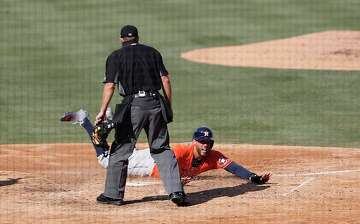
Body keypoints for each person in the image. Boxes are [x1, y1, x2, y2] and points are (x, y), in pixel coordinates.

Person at [94, 25, 185, 206]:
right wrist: (168, 105)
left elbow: (110, 85)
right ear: (137, 37)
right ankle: (176, 192)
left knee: (121, 149)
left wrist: (102, 111)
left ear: (121, 39)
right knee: (161, 148)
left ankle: (113, 195)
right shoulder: (153, 52)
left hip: (133, 106)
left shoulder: (115, 56)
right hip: (155, 103)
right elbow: (165, 79)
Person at [60, 110, 271, 186]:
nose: (206, 146)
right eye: (202, 142)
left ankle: (108, 120)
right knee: (106, 162)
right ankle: (85, 119)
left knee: (118, 151)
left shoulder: (213, 157)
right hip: (148, 162)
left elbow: (232, 167)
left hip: (148, 157)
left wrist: (253, 177)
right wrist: (175, 181)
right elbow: (159, 169)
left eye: (209, 143)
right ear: (195, 141)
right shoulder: (180, 151)